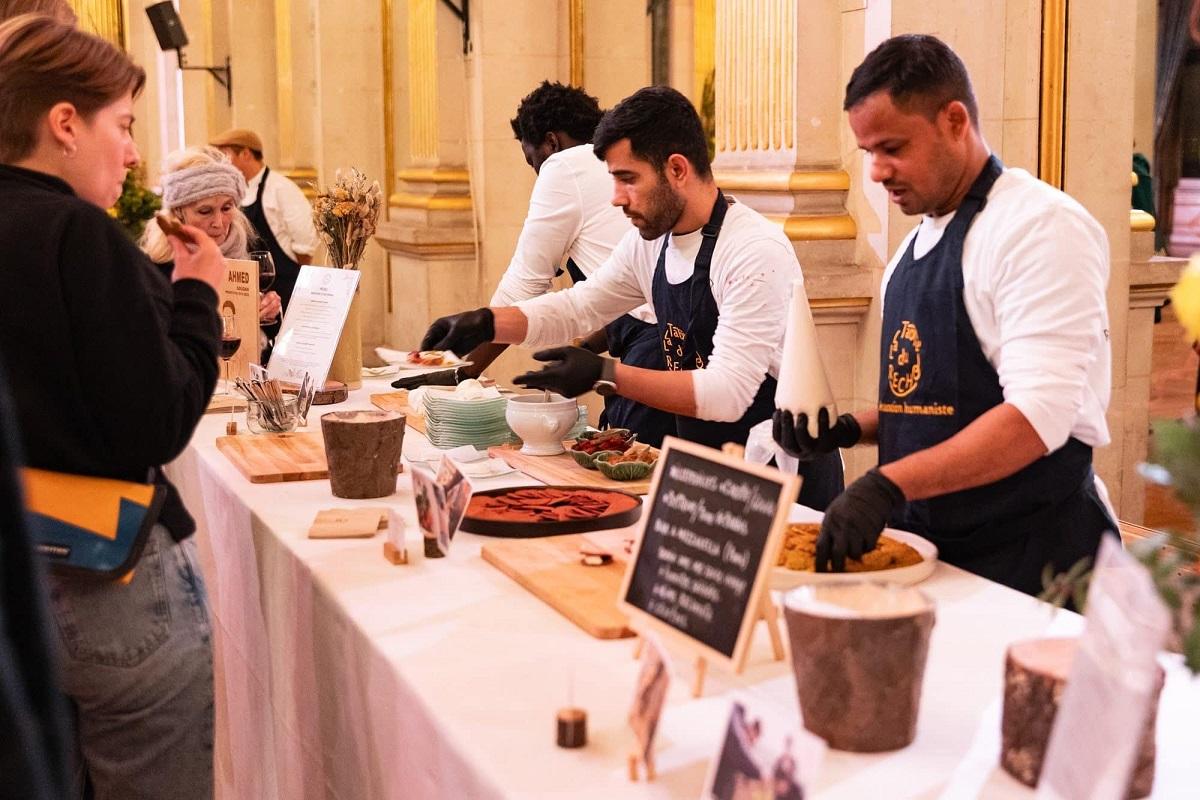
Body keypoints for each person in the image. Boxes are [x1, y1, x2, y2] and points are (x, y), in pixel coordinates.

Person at [774, 34, 1115, 595]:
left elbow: (1036, 418)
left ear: (955, 120)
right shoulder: (907, 255)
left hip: (1033, 560)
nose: (878, 172)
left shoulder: (1039, 228)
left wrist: (885, 484)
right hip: (932, 551)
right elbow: (936, 404)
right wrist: (844, 431)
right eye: (868, 155)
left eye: (893, 147)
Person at [420, 86, 843, 508]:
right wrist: (488, 321)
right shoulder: (652, 244)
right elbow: (580, 306)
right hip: (709, 470)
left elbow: (726, 393)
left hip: (780, 478)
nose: (616, 198)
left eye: (627, 179)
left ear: (677, 169)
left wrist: (606, 373)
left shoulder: (753, 251)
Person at [0, 13, 224, 798]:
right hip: (107, 583)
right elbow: (156, 419)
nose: (131, 152)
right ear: (64, 123)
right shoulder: (77, 234)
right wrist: (198, 296)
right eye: (123, 125)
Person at [396, 80, 676, 446]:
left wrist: (463, 371)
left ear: (551, 142)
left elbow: (525, 287)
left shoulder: (564, 166)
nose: (619, 198)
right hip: (671, 346)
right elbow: (619, 297)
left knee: (633, 471)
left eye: (533, 161)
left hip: (655, 354)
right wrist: (587, 349)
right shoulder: (608, 182)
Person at [141, 145, 283, 353]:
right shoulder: (159, 267)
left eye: (227, 208)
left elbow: (271, 332)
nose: (219, 222)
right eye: (205, 211)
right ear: (179, 213)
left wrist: (270, 311)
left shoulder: (252, 247)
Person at [210, 127, 317, 337]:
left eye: (226, 154)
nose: (222, 162)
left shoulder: (281, 189)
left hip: (284, 291)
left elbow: (306, 242)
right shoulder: (234, 192)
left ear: (246, 154)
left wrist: (292, 281)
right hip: (245, 295)